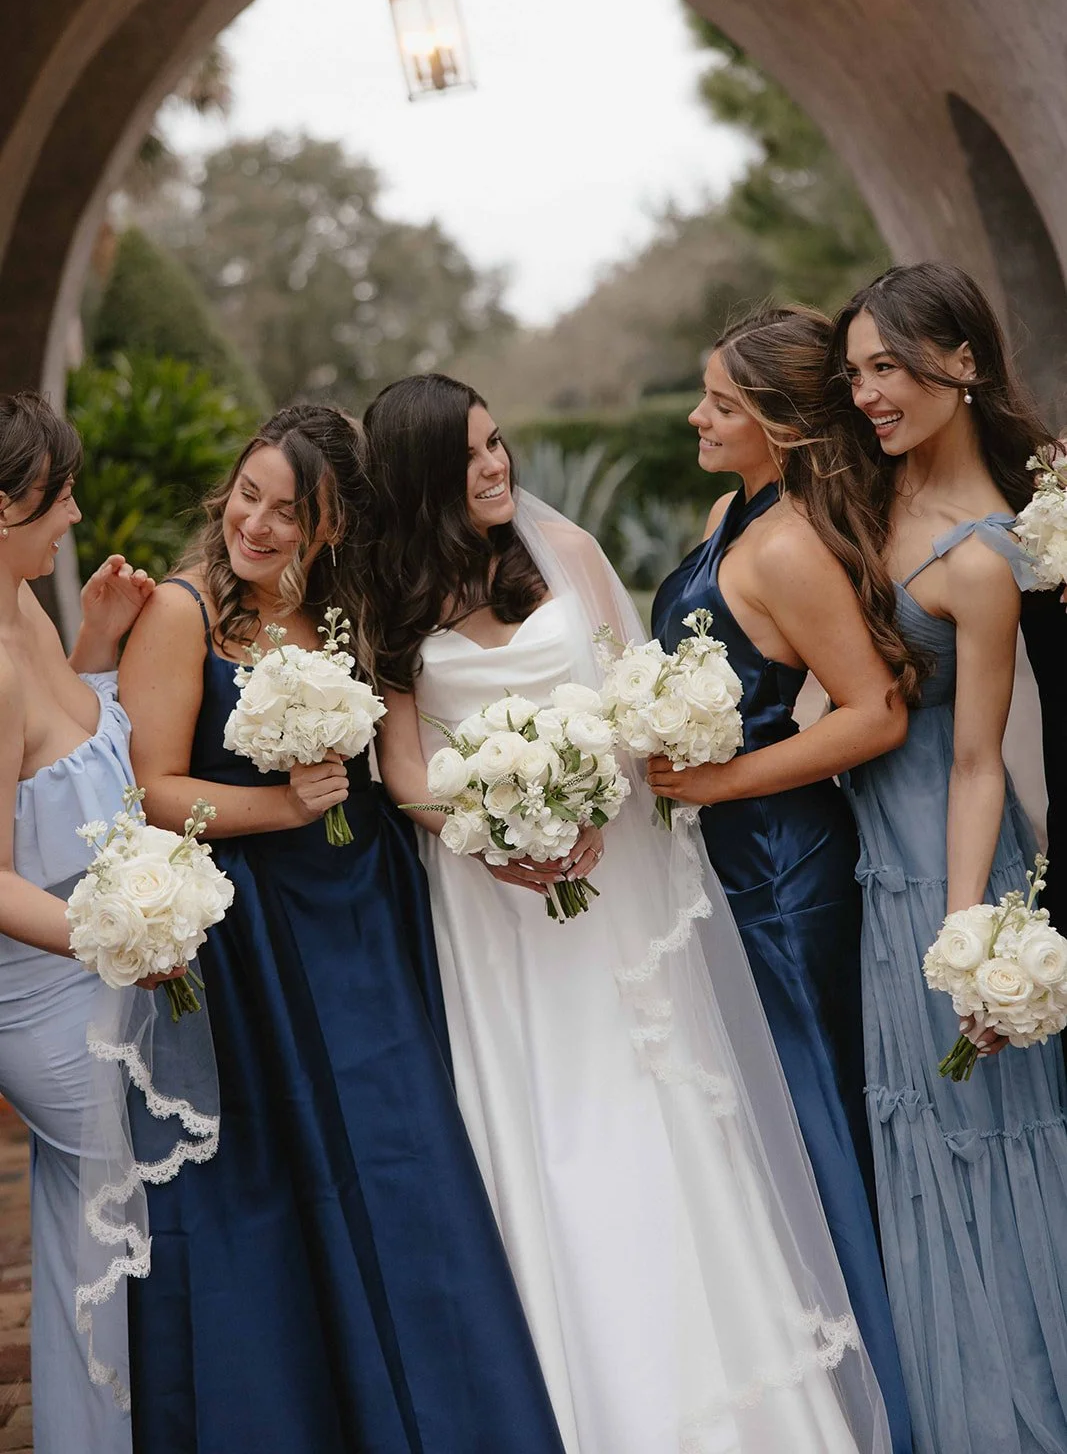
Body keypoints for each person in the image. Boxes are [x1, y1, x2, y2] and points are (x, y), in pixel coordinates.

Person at [364, 371, 893, 1454]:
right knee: (547, 1131)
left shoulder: (571, 558)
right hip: (491, 909)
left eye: (498, 439)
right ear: (422, 474)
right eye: (469, 454)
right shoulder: (389, 600)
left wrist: (597, 795)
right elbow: (401, 766)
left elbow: (636, 705)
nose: (497, 464)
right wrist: (484, 833)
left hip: (616, 891)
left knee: (652, 1107)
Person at [119, 403, 563, 1454]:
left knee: (404, 1147)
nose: (260, 526)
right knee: (283, 1175)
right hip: (254, 935)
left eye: (292, 511)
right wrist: (280, 806)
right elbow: (148, 791)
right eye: (250, 497)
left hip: (366, 909)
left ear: (332, 527)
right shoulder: (185, 614)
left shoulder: (351, 608)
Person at [649, 305, 912, 1453]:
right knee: (764, 1119)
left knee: (813, 1109)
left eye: (719, 401)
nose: (697, 415)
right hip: (723, 854)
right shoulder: (728, 516)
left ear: (778, 425)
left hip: (782, 863)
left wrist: (721, 780)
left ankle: (891, 1391)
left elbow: (874, 712)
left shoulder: (793, 544)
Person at [822, 262, 1067, 1452]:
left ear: (961, 364)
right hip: (865, 859)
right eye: (856, 369)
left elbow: (978, 762)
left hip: (942, 863)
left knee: (980, 1136)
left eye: (890, 367)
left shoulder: (986, 555)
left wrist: (966, 936)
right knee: (912, 1142)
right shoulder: (856, 498)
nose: (868, 392)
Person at [0, 391, 202, 1453]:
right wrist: (123, 931)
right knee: (127, 1237)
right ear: (0, 511)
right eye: (58, 496)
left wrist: (93, 646)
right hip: (49, 998)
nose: (74, 515)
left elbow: (50, 778)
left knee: (113, 1234)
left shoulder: (21, 605)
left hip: (104, 970)